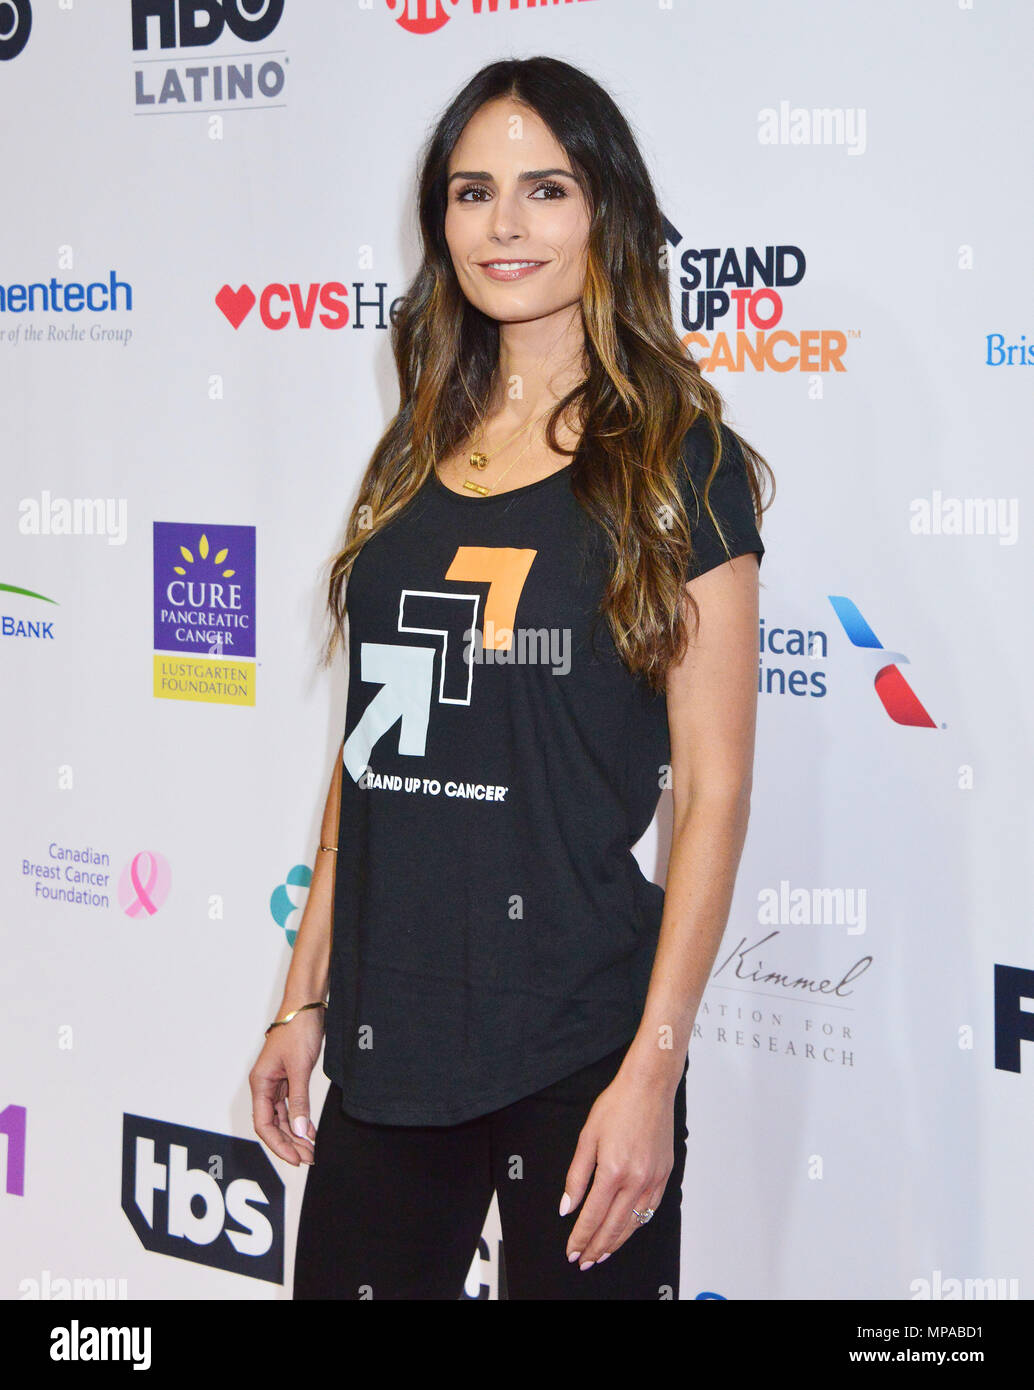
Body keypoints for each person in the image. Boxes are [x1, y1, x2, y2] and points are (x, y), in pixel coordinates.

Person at [249, 55, 773, 1301]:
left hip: (578, 1043)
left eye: (545, 189)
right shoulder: (414, 444)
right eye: (472, 191)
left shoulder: (677, 462)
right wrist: (299, 996)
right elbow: (371, 746)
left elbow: (710, 792)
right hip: (392, 1035)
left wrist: (650, 1070)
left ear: (607, 214)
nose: (504, 224)